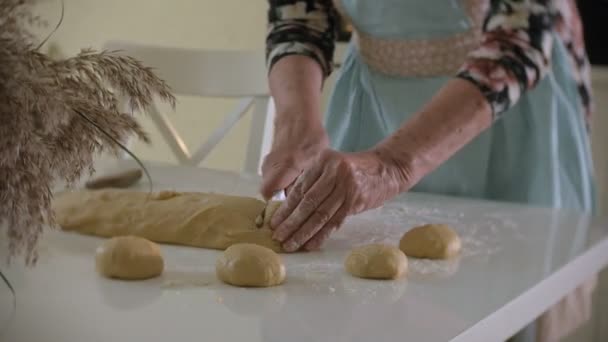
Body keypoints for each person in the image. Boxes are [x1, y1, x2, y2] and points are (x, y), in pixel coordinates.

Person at [260, 1, 597, 341]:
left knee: (505, 308)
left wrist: (392, 165)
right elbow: (298, 17)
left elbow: (520, 37)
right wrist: (296, 124)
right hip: (377, 107)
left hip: (506, 116)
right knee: (368, 308)